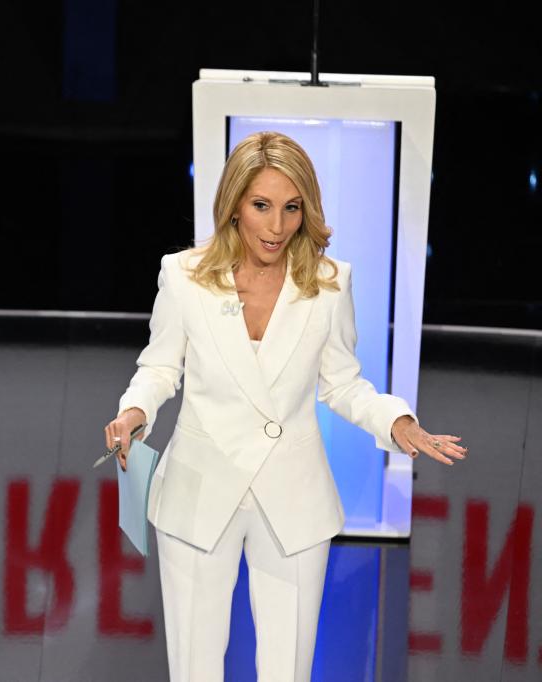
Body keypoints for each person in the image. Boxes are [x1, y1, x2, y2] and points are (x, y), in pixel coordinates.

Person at [103, 131, 465, 682]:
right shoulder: (183, 277)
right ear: (234, 205)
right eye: (262, 206)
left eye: (291, 208)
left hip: (292, 498)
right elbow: (159, 368)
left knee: (288, 671)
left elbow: (343, 383)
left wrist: (396, 419)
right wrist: (134, 413)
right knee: (194, 671)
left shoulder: (329, 283)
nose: (277, 226)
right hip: (200, 491)